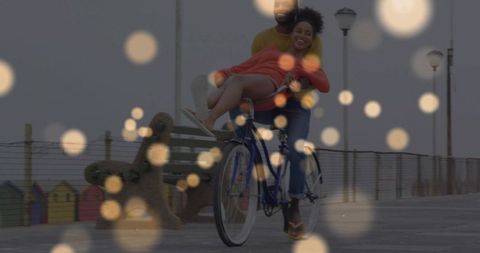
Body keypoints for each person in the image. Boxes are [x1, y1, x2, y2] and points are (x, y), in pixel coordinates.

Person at [184, 7, 329, 240]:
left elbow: (322, 83)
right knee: (236, 87)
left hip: (295, 104)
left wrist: (300, 79)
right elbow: (250, 65)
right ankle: (240, 148)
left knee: (294, 148)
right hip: (268, 99)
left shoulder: (309, 54)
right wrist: (223, 74)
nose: (302, 35)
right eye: (298, 31)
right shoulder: (267, 45)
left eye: (307, 33)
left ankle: (294, 206)